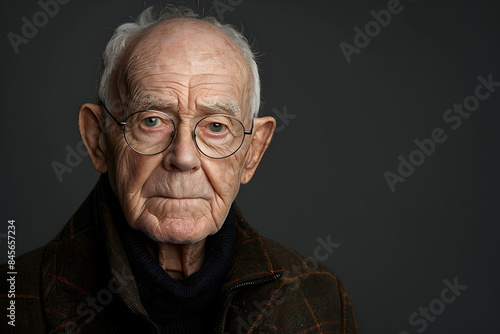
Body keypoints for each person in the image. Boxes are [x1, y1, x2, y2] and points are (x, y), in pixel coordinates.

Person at [1, 5, 359, 333]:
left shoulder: (320, 298)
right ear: (98, 140)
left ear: (253, 152)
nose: (184, 157)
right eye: (152, 120)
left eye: (216, 126)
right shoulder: (13, 303)